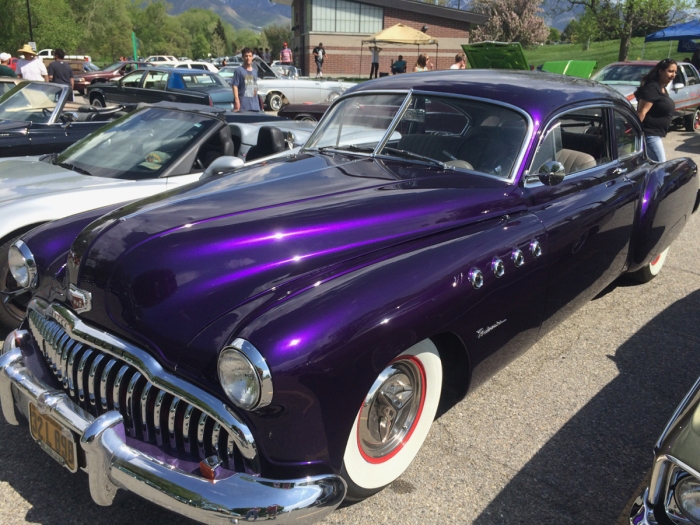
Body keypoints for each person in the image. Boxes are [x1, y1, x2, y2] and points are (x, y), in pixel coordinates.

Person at [635, 58, 677, 162]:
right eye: (670, 71)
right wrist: (632, 132)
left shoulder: (661, 88)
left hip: (655, 135)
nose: (673, 75)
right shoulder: (652, 88)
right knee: (660, 165)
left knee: (653, 166)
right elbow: (641, 112)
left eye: (675, 72)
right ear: (661, 71)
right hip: (650, 135)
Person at [232, 47, 261, 113]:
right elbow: (235, 86)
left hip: (255, 106)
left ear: (252, 57)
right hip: (243, 106)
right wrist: (237, 101)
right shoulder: (239, 71)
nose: (248, 58)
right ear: (242, 57)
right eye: (246, 56)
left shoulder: (255, 71)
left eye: (250, 56)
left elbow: (252, 89)